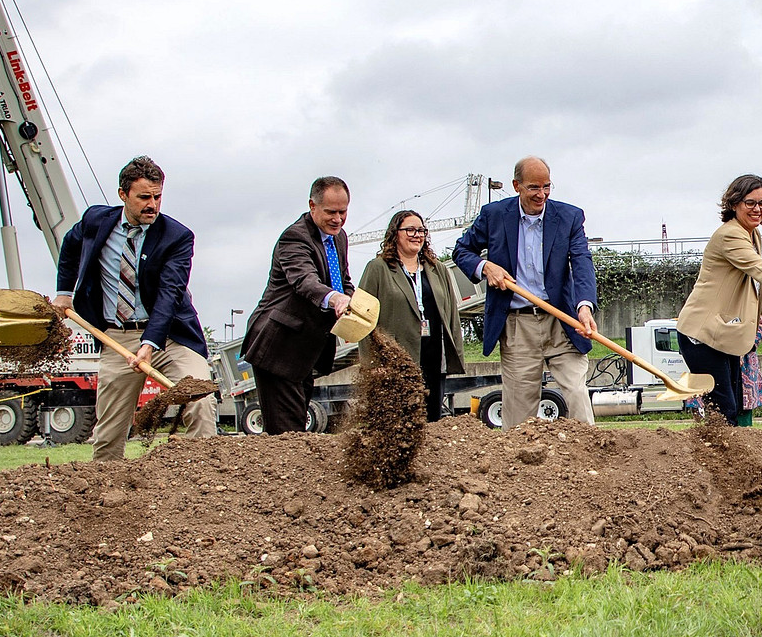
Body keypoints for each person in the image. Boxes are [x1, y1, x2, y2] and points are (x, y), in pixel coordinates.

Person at [52, 156, 213, 460]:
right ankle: (107, 491)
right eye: (144, 197)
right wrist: (63, 292)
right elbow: (70, 247)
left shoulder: (177, 237)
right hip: (117, 339)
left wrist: (150, 342)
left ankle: (199, 483)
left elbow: (169, 294)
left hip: (169, 336)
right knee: (108, 432)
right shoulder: (95, 221)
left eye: (158, 196)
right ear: (123, 195)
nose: (153, 204)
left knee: (200, 399)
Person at [452, 156, 599, 427]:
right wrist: (485, 267)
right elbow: (462, 251)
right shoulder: (494, 215)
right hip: (517, 324)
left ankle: (591, 461)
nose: (541, 194)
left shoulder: (569, 217)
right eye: (533, 187)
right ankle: (520, 466)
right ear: (516, 185)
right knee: (519, 411)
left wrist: (585, 305)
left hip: (562, 320)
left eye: (546, 187)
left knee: (577, 393)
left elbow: (581, 262)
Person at [674, 175, 762, 425]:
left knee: (736, 406)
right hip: (701, 334)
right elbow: (758, 269)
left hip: (724, 335)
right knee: (723, 409)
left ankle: (728, 458)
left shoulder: (752, 235)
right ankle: (716, 459)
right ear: (734, 204)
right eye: (750, 203)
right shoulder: (730, 235)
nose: (757, 209)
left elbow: (748, 281)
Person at [241, 176, 354, 434]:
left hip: (306, 353)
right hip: (278, 349)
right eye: (330, 212)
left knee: (296, 430)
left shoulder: (339, 238)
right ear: (312, 206)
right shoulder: (294, 238)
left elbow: (343, 280)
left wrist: (351, 300)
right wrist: (335, 298)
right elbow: (304, 281)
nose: (337, 219)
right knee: (287, 435)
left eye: (343, 212)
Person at [358, 208, 466, 422]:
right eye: (410, 230)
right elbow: (363, 318)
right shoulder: (378, 268)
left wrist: (455, 356)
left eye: (421, 230)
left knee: (431, 419)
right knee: (400, 423)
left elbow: (452, 316)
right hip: (396, 361)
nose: (417, 235)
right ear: (394, 234)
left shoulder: (438, 269)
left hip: (434, 357)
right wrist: (372, 363)